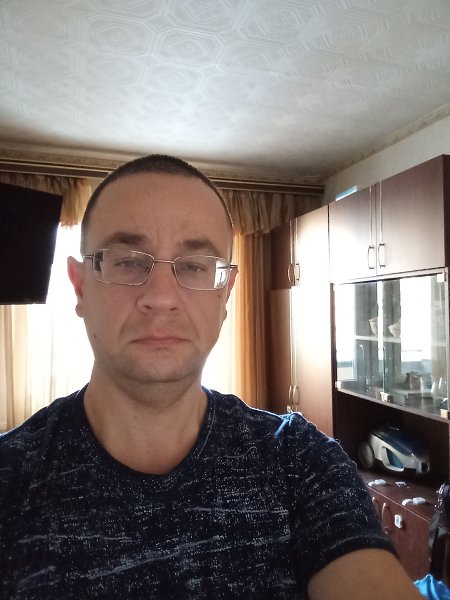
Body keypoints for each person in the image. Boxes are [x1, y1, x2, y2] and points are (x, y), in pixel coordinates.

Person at [0, 154, 422, 599]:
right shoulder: (11, 477)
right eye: (127, 261)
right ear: (80, 285)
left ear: (225, 295)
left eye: (194, 266)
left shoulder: (300, 462)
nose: (162, 297)